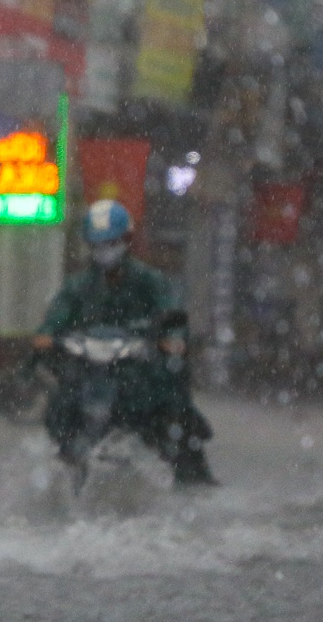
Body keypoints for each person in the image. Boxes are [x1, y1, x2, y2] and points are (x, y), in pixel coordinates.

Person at [31, 199, 215, 486]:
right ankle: (66, 460)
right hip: (89, 370)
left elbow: (172, 313)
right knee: (59, 406)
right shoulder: (79, 286)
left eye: (111, 243)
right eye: (97, 245)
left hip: (138, 370)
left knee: (172, 406)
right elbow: (57, 315)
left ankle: (189, 472)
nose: (104, 251)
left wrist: (172, 339)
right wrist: (46, 336)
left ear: (126, 240)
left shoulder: (150, 281)